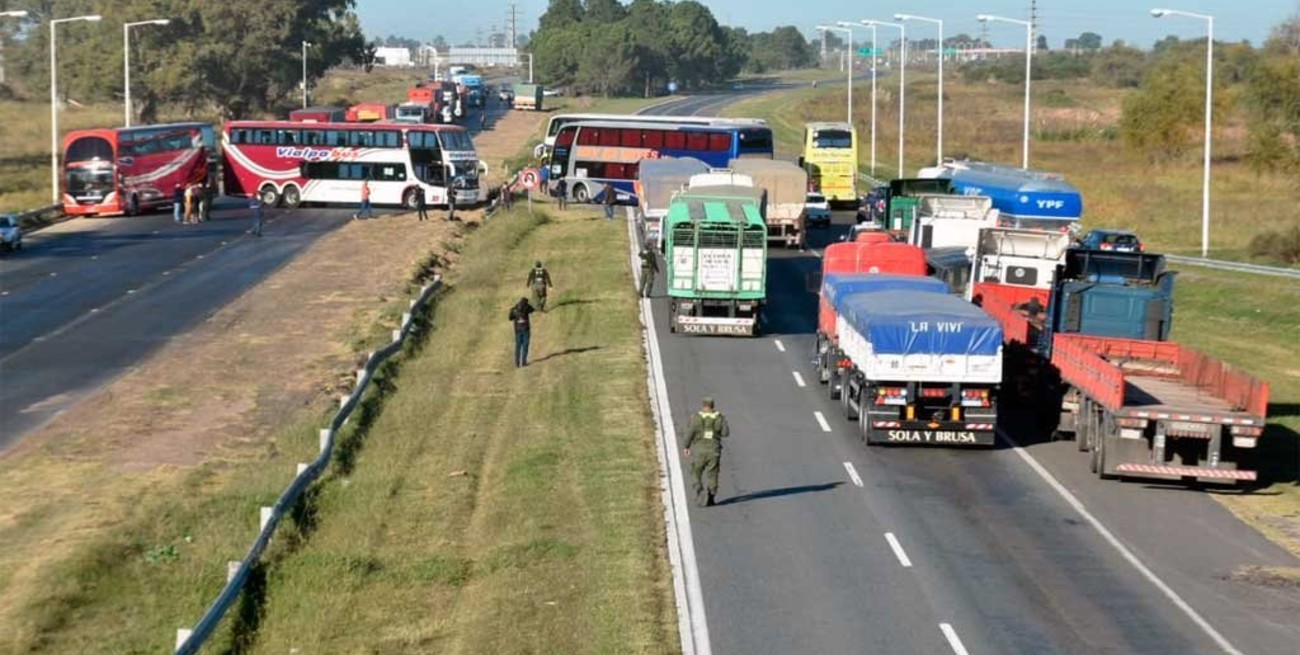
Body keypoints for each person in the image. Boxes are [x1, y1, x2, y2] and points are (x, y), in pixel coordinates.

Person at [683, 396, 730, 507]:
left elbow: (689, 434)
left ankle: (698, 486)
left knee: (695, 471)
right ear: (713, 405)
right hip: (714, 450)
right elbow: (725, 433)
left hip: (699, 449)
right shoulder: (719, 417)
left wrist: (686, 447)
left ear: (703, 405)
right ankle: (711, 497)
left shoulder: (696, 418)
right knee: (713, 473)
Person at [508, 297, 535, 367]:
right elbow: (532, 310)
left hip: (517, 330)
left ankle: (517, 362)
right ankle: (524, 361)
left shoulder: (513, 309)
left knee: (518, 346)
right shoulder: (527, 307)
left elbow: (510, 318)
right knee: (525, 345)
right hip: (525, 329)